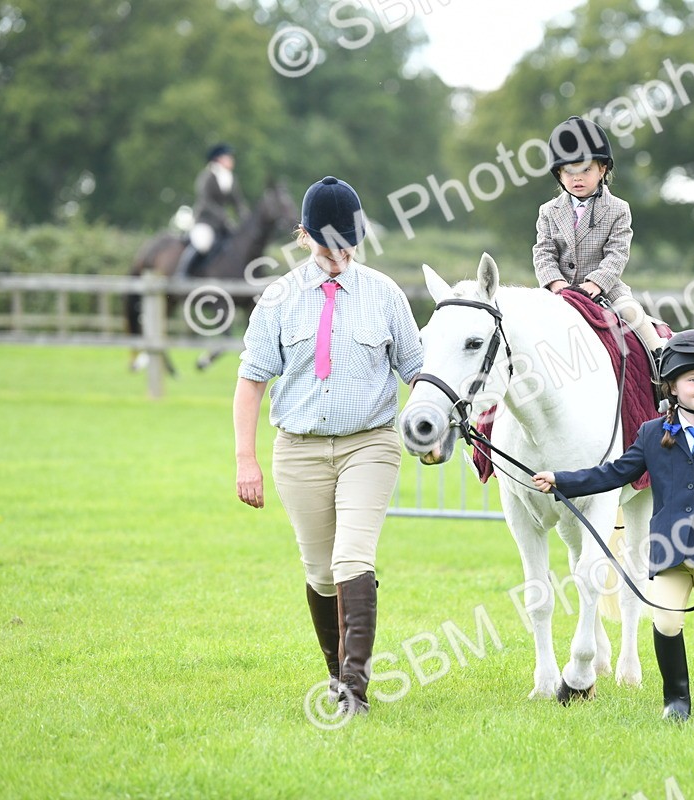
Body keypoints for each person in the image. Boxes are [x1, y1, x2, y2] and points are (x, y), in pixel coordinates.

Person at [233, 176, 423, 717]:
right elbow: (251, 383)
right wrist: (246, 460)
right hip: (298, 450)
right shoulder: (278, 299)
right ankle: (336, 673)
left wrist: (438, 431)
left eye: (347, 245)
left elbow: (417, 372)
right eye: (325, 246)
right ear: (301, 236)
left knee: (351, 558)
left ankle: (353, 693)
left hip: (371, 444)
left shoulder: (385, 294)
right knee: (319, 572)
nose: (337, 256)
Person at [532, 330, 694, 723]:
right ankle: (676, 700)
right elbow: (614, 473)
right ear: (673, 386)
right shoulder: (652, 434)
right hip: (670, 551)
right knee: (666, 621)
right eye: (693, 379)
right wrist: (563, 479)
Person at [532, 115, 666, 360]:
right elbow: (543, 253)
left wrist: (595, 284)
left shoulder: (618, 208)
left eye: (586, 169)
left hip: (605, 289)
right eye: (569, 172)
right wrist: (556, 283)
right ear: (559, 174)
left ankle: (660, 362)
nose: (577, 178)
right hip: (559, 288)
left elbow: (617, 254)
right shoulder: (548, 211)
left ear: (602, 169)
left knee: (633, 313)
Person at [176, 143, 249, 278]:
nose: (232, 160)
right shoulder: (207, 176)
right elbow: (205, 201)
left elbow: (238, 202)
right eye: (228, 157)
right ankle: (183, 273)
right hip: (205, 221)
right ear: (218, 159)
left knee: (236, 244)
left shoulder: (231, 178)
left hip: (222, 224)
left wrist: (245, 217)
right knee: (203, 244)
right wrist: (223, 215)